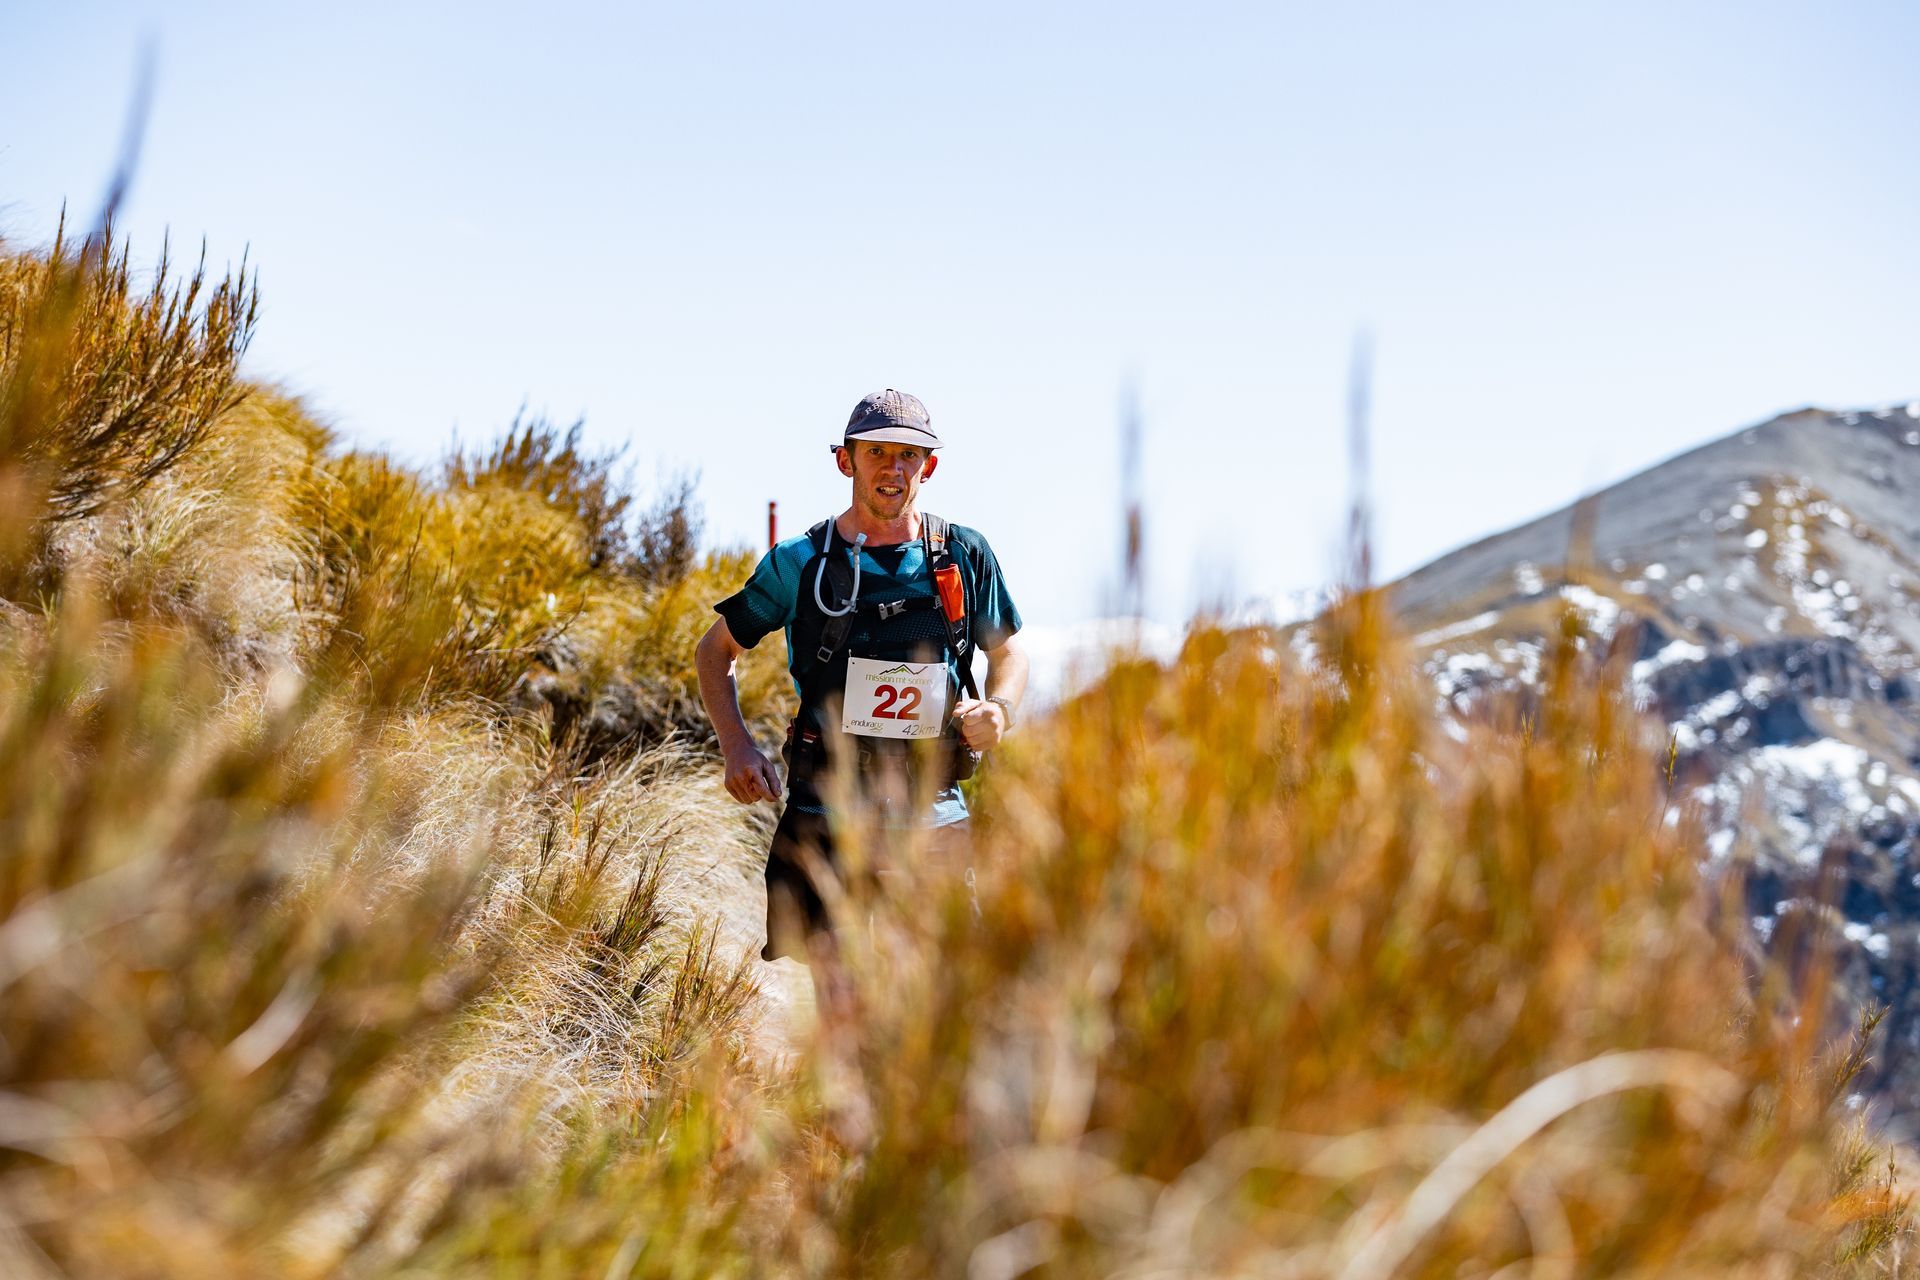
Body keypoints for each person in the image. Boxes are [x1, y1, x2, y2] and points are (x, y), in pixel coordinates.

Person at [695, 389, 1028, 962]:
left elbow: (1009, 649)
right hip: (827, 817)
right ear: (846, 461)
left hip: (932, 815)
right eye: (877, 453)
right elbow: (715, 650)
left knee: (928, 1001)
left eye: (908, 455)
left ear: (929, 467)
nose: (892, 469)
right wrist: (736, 748)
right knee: (843, 1005)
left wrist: (999, 709)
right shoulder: (800, 561)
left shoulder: (964, 555)